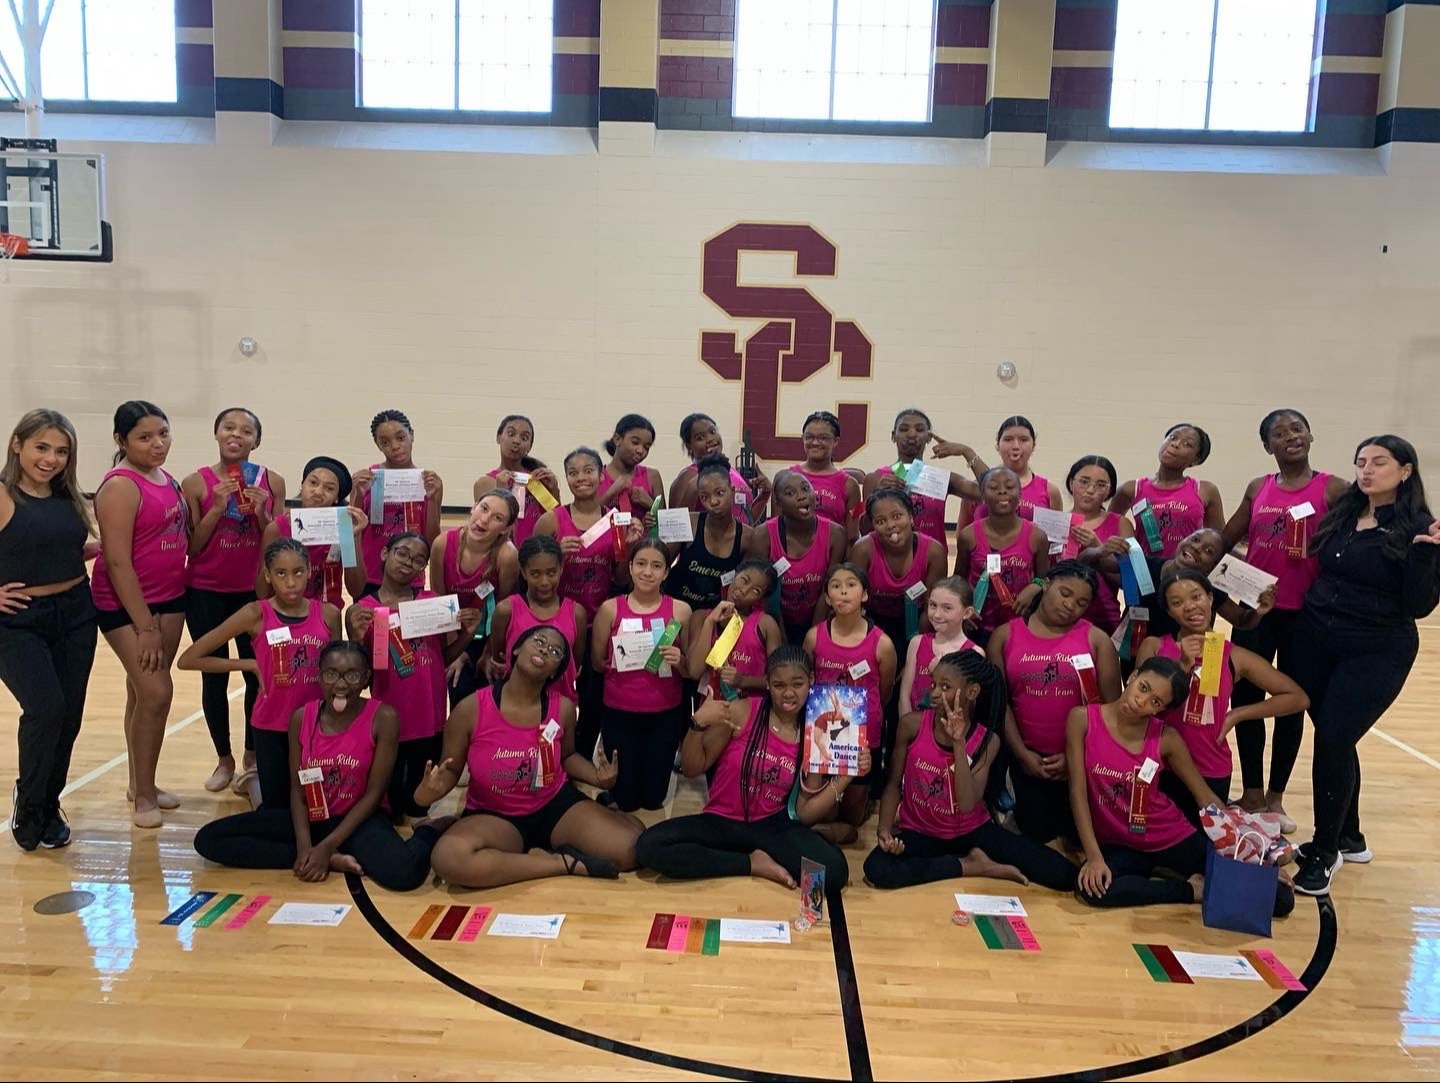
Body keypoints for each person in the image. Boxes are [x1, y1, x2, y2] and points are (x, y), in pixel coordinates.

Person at [1290, 436, 1440, 895]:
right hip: (1317, 640)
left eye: (1379, 462)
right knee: (1338, 737)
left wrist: (1425, 556)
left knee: (1333, 738)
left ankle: (1325, 849)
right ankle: (1350, 835)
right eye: (1360, 461)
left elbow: (1418, 606)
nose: (1367, 470)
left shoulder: (1419, 528)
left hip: (1377, 648)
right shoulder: (1344, 513)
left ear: (1406, 471)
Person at [193, 641, 447, 890]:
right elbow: (297, 790)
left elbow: (374, 794)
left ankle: (429, 831)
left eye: (352, 675)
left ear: (367, 678)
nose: (340, 684)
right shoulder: (302, 717)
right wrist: (305, 847)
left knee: (405, 874)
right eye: (331, 674)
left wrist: (326, 846)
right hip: (314, 819)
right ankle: (326, 859)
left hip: (360, 820)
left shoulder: (383, 718)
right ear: (319, 676)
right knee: (208, 839)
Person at [1068, 657, 1295, 916]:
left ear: (1159, 710)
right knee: (1091, 889)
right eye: (1143, 687)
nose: (1142, 701)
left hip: (1169, 836)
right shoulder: (1082, 720)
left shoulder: (1166, 738)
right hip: (1119, 844)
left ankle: (1179, 875)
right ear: (1132, 677)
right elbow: (1078, 792)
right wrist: (1095, 857)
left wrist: (1254, 860)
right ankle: (1190, 891)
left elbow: (1205, 797)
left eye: (1155, 702)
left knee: (1279, 898)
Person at [419, 626, 643, 887]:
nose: (544, 650)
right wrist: (428, 793)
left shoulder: (564, 709)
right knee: (449, 859)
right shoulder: (470, 709)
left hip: (553, 804)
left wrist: (598, 778)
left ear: (554, 672)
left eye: (555, 651)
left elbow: (567, 756)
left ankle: (601, 813)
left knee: (633, 849)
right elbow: (450, 770)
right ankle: (563, 863)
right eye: (538, 641)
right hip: (495, 814)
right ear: (516, 648)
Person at [1223, 409, 1348, 830]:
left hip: (1306, 617)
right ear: (1267, 446)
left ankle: (1276, 797)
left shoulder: (1332, 488)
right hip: (1253, 614)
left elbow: (1356, 542)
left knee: (1290, 703)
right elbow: (1224, 538)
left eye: (1296, 428)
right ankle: (1252, 792)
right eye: (1279, 433)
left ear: (1310, 435)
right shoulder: (1258, 486)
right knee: (1244, 700)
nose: (1290, 436)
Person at [637, 646, 854, 888]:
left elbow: (805, 813)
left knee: (835, 871)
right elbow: (691, 768)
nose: (788, 694)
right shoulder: (743, 711)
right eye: (779, 685)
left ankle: (744, 858)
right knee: (650, 846)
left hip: (771, 827)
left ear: (811, 680)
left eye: (797, 684)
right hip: (720, 821)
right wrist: (697, 723)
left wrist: (846, 776)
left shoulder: (814, 732)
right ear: (768, 683)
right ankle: (752, 864)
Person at [864, 650, 1079, 891]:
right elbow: (893, 784)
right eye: (933, 684)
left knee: (1066, 876)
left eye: (945, 687)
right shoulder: (911, 725)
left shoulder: (987, 739)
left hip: (972, 831)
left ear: (972, 692)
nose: (934, 693)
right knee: (877, 869)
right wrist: (884, 831)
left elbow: (967, 803)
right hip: (920, 831)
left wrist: (958, 744)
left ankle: (965, 860)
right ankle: (970, 866)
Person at [178, 539, 342, 810]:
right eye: (281, 574)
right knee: (276, 810)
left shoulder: (328, 614)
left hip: (315, 724)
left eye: (298, 572)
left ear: (310, 571)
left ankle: (254, 782)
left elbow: (334, 671)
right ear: (267, 575)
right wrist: (249, 665)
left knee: (315, 806)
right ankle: (254, 783)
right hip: (271, 725)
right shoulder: (254, 614)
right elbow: (189, 659)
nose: (290, 582)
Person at [1135, 568, 1307, 823]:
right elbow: (1141, 707)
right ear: (1169, 612)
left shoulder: (1233, 655)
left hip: (1209, 767)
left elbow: (1297, 697)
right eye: (1177, 602)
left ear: (1210, 598)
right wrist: (1181, 666)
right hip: (1159, 766)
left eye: (1196, 597)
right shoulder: (1154, 646)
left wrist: (1237, 715)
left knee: (1202, 852)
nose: (1190, 607)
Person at [0, 409, 98, 850]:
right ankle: (30, 799)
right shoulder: (3, 495)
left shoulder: (68, 497)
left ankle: (48, 801)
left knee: (70, 715)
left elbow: (67, 548)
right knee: (46, 709)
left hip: (76, 610)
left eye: (61, 451)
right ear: (17, 444)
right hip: (19, 621)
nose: (51, 458)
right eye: (42, 447)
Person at [91, 401, 189, 828]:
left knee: (140, 691)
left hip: (170, 597)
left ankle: (139, 781)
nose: (158, 444)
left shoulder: (165, 478)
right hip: (126, 605)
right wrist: (145, 625)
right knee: (156, 693)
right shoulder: (120, 486)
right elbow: (116, 561)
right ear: (121, 441)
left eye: (163, 434)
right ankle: (144, 797)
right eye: (145, 437)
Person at [182, 407, 284, 794]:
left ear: (256, 440)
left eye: (246, 430)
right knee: (215, 675)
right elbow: (192, 545)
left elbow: (277, 538)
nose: (236, 434)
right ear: (216, 433)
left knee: (257, 673)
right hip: (206, 589)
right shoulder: (195, 482)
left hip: (254, 591)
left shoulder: (271, 480)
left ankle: (251, 756)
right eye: (228, 427)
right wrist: (215, 509)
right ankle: (223, 758)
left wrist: (260, 512)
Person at [345, 533, 481, 818]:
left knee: (418, 803)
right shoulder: (361, 611)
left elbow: (440, 658)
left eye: (419, 560)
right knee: (391, 800)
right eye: (402, 553)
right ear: (384, 554)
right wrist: (357, 638)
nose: (409, 563)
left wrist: (467, 636)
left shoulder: (432, 602)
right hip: (390, 716)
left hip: (429, 715)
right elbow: (361, 673)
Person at [989, 562, 1121, 843]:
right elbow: (1000, 705)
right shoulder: (1004, 636)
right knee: (1036, 832)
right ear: (1046, 583)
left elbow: (1112, 710)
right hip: (1026, 757)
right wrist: (1022, 754)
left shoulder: (1097, 641)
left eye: (1081, 602)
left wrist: (1077, 756)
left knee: (1081, 836)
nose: (1070, 605)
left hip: (1082, 759)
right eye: (1065, 593)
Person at [591, 539, 693, 812]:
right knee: (626, 801)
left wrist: (679, 660)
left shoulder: (680, 611)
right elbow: (597, 663)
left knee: (653, 799)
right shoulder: (611, 609)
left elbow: (690, 669)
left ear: (666, 572)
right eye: (641, 564)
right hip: (620, 711)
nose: (648, 572)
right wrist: (621, 658)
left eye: (656, 566)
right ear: (631, 567)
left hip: (664, 713)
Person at [803, 563, 896, 833]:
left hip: (864, 737)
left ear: (865, 595)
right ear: (827, 597)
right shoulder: (814, 637)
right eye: (835, 586)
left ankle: (858, 807)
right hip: (823, 734)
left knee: (852, 817)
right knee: (825, 813)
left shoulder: (882, 644)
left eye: (851, 585)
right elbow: (807, 681)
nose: (843, 592)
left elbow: (885, 691)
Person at [428, 491, 520, 703]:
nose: (484, 520)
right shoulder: (442, 544)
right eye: (484, 508)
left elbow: (504, 611)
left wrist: (489, 652)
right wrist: (455, 651)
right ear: (473, 507)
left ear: (506, 528)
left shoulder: (507, 556)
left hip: (489, 637)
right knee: (458, 687)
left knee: (488, 694)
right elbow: (438, 600)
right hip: (451, 633)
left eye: (497, 518)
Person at [745, 469, 846, 645]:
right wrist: (781, 636)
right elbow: (764, 593)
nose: (801, 496)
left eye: (806, 489)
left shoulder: (836, 534)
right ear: (778, 502)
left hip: (817, 617)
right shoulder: (763, 536)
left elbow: (829, 589)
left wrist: (813, 635)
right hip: (773, 618)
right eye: (790, 493)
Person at [484, 534, 586, 703]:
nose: (544, 582)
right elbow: (501, 660)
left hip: (558, 707)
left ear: (561, 568)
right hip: (514, 706)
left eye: (551, 573)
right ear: (523, 572)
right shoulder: (506, 611)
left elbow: (572, 663)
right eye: (535, 574)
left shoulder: (577, 614)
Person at [352, 410, 443, 593]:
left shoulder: (427, 482)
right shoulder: (368, 479)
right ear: (378, 446)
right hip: (372, 575)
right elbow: (351, 529)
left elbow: (432, 540)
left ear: (412, 435)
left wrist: (433, 499)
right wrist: (358, 494)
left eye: (400, 438)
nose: (394, 446)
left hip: (410, 574)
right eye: (385, 442)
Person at [863, 408, 985, 544]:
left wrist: (967, 452)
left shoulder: (941, 478)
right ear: (893, 436)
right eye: (903, 429)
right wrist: (877, 498)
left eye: (920, 429)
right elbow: (864, 530)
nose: (911, 434)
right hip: (886, 560)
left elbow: (990, 493)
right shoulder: (876, 478)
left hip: (932, 560)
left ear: (928, 437)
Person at [848, 489, 946, 655]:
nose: (890, 525)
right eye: (880, 521)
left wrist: (916, 651)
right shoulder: (863, 550)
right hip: (872, 620)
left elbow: (932, 608)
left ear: (911, 517)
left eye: (897, 516)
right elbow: (855, 603)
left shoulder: (934, 552)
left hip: (917, 624)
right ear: (873, 525)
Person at [954, 466, 1050, 638]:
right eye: (993, 487)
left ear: (1020, 494)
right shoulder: (968, 535)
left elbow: (1045, 579)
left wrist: (1036, 585)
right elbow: (959, 579)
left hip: (1019, 624)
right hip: (977, 624)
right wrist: (962, 610)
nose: (1002, 492)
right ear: (982, 496)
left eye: (1009, 487)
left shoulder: (1037, 536)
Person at [263, 456, 368, 608]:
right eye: (313, 482)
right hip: (282, 612)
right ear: (302, 485)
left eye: (329, 488)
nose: (318, 492)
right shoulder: (276, 528)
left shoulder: (343, 528)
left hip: (326, 614)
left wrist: (354, 538)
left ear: (337, 498)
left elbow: (356, 589)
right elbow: (262, 592)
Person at [1110, 424, 1225, 560]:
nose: (1176, 444)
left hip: (1187, 570)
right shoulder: (1131, 489)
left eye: (1187, 444)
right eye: (1172, 438)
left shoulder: (1205, 490)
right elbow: (1108, 527)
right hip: (1146, 571)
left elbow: (1219, 541)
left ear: (1196, 460)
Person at [663, 454, 755, 614]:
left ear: (732, 491)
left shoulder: (747, 537)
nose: (713, 501)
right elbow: (661, 565)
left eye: (720, 493)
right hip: (675, 610)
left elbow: (744, 588)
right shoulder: (688, 522)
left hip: (715, 615)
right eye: (705, 497)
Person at [686, 559, 782, 699]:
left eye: (756, 591)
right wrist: (710, 622)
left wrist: (743, 681)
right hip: (711, 711)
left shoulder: (766, 624)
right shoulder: (701, 617)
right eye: (744, 580)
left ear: (760, 599)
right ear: (735, 575)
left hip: (750, 712)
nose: (744, 590)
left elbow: (778, 679)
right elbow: (694, 671)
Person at [1065, 454, 1132, 635]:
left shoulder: (1120, 524)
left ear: (1110, 491)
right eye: (1084, 481)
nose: (1090, 490)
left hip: (1104, 617)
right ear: (1071, 483)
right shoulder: (1057, 521)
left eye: (1101, 485)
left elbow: (1130, 582)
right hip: (1060, 615)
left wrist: (1098, 548)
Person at [471, 414, 561, 548]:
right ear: (498, 437)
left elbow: (557, 520)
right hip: (501, 553)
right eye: (511, 434)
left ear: (530, 446)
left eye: (524, 438)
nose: (516, 441)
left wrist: (554, 489)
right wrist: (501, 493)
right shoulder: (485, 483)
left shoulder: (536, 479)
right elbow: (483, 527)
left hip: (536, 554)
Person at [956, 416, 1061, 528]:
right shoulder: (976, 487)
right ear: (997, 444)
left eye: (1024, 439)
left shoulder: (1049, 491)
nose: (1016, 446)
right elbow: (962, 536)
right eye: (1008, 439)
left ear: (1033, 445)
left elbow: (1057, 539)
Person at [669, 413, 770, 525]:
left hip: (739, 541)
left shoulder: (730, 470)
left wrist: (765, 493)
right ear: (689, 446)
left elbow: (746, 518)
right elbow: (675, 526)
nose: (710, 439)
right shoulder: (688, 477)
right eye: (700, 438)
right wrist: (692, 488)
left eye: (712, 432)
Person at [898, 576, 981, 713]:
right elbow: (904, 696)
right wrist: (907, 726)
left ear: (967, 613)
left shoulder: (974, 653)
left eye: (946, 608)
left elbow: (968, 705)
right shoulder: (917, 643)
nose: (936, 614)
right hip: (914, 727)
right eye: (933, 605)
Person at [792, 411, 863, 540]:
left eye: (823, 438)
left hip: (833, 556)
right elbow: (775, 527)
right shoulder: (786, 476)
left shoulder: (852, 486)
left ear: (835, 441)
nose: (815, 442)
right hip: (790, 555)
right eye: (809, 437)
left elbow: (852, 535)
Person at [599, 413, 663, 513]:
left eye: (646, 447)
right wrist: (610, 493)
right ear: (617, 439)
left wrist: (650, 504)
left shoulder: (652, 476)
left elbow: (666, 522)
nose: (640, 450)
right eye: (635, 442)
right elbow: (586, 516)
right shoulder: (597, 477)